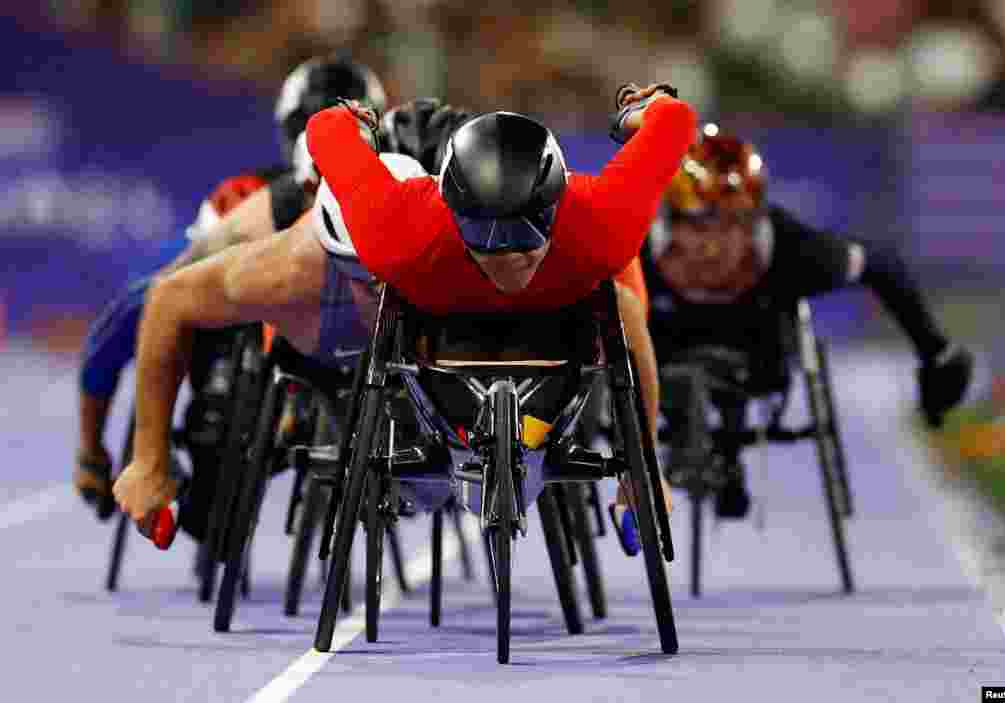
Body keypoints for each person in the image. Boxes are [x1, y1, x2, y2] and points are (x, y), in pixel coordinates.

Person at [111, 83, 698, 542]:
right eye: (485, 236)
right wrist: (149, 459)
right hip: (428, 322)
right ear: (449, 208)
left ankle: (640, 477)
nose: (507, 257)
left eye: (524, 236)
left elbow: (672, 122)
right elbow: (323, 133)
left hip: (548, 314)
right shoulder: (394, 230)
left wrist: (642, 112)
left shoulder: (604, 220)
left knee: (622, 307)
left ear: (559, 205)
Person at [74, 54, 388, 520]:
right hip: (242, 316)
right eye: (315, 127)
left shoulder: (394, 189)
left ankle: (93, 453)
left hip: (331, 332)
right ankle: (94, 451)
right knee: (141, 304)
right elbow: (179, 284)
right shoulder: (244, 195)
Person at [643, 124, 973, 519]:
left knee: (708, 371)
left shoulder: (790, 246)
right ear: (670, 222)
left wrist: (935, 352)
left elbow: (881, 266)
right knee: (664, 363)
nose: (711, 244)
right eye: (696, 225)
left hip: (757, 359)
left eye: (728, 223)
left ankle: (715, 449)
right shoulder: (639, 248)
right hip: (660, 364)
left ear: (753, 221)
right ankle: (697, 439)